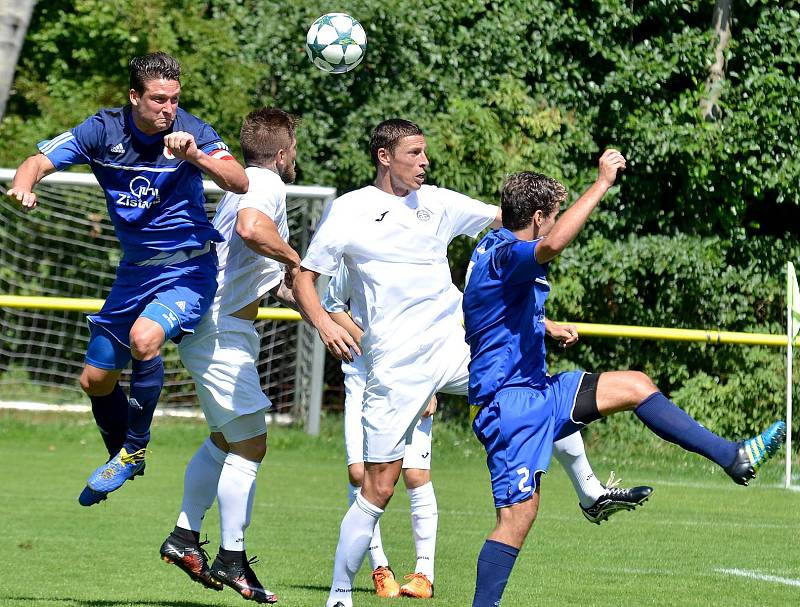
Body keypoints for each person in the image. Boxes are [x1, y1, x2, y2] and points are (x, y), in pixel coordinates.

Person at [293, 119, 651, 607]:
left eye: (425, 153)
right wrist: (325, 322)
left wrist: (538, 316)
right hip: (397, 366)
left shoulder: (438, 202)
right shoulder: (350, 211)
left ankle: (589, 491)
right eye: (415, 153)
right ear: (384, 157)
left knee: (534, 390)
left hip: (455, 345)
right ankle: (339, 595)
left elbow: (514, 221)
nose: (425, 162)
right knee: (379, 486)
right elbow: (304, 277)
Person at [462, 151, 787, 607]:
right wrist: (600, 184)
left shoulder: (493, 247)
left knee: (635, 384)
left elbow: (490, 310)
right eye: (552, 218)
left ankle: (733, 457)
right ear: (536, 218)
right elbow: (549, 248)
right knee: (518, 518)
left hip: (538, 390)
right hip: (508, 404)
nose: (555, 226)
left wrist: (543, 325)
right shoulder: (508, 254)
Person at [6, 51, 248, 506]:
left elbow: (239, 181)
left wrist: (194, 155)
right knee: (95, 380)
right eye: (158, 99)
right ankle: (124, 454)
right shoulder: (101, 131)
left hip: (187, 267)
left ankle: (135, 449)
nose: (168, 109)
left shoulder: (191, 131)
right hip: (134, 272)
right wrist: (24, 184)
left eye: (174, 99)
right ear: (134, 96)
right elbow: (35, 161)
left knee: (144, 339)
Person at [158, 107, 300, 604]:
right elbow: (251, 230)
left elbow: (266, 272)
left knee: (223, 439)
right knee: (252, 444)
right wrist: (297, 258)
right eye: (295, 150)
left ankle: (183, 536)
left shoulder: (249, 182)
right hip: (221, 332)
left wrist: (316, 301)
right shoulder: (266, 184)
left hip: (219, 328)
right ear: (282, 154)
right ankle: (232, 557)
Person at [322, 263, 440, 598]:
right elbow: (334, 307)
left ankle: (424, 574)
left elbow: (436, 325)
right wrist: (372, 344)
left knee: (415, 474)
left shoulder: (422, 258)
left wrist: (433, 382)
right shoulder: (355, 256)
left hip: (412, 378)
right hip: (361, 379)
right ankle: (379, 567)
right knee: (360, 474)